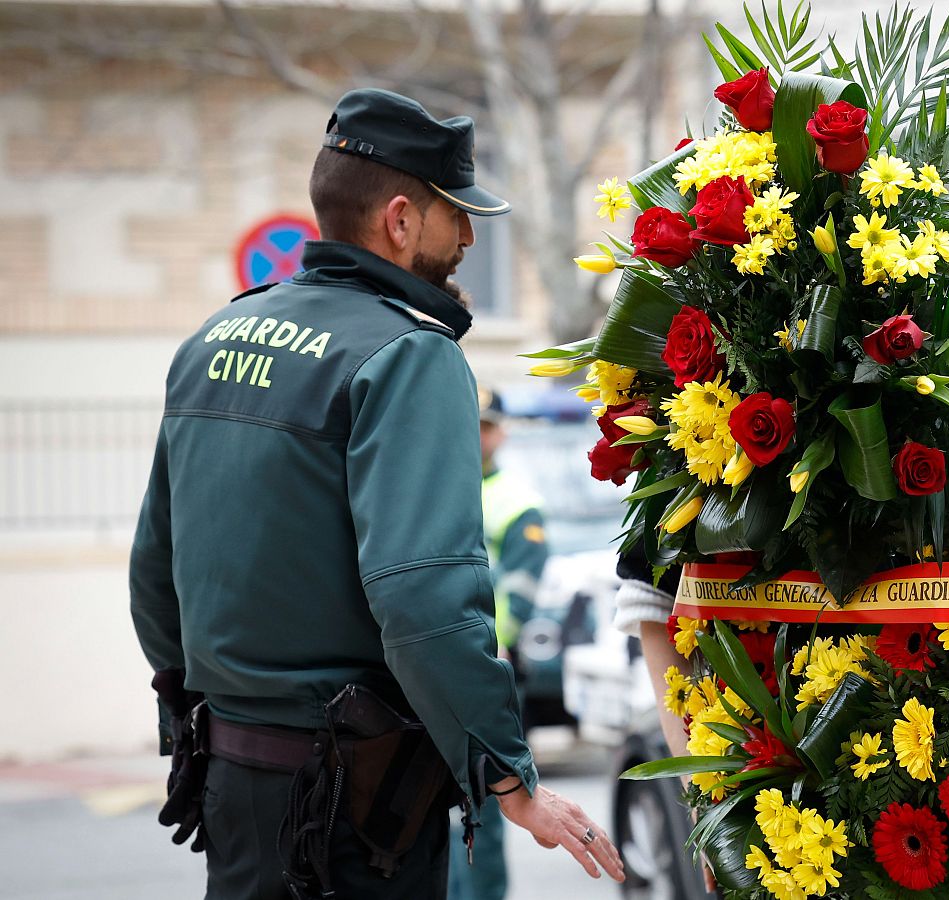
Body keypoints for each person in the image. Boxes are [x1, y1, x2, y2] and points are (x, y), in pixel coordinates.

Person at [129, 87, 623, 898]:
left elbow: (156, 573)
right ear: (399, 219)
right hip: (356, 814)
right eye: (454, 214)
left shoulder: (213, 338)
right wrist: (509, 779)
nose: (468, 235)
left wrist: (204, 727)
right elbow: (426, 600)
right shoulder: (407, 356)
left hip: (232, 784)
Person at [447, 388, 551, 900]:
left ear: (501, 431)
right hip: (446, 664)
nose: (478, 435)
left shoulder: (517, 499)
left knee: (486, 799)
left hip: (492, 665)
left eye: (487, 425)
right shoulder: (444, 487)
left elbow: (520, 590)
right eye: (472, 424)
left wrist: (496, 645)